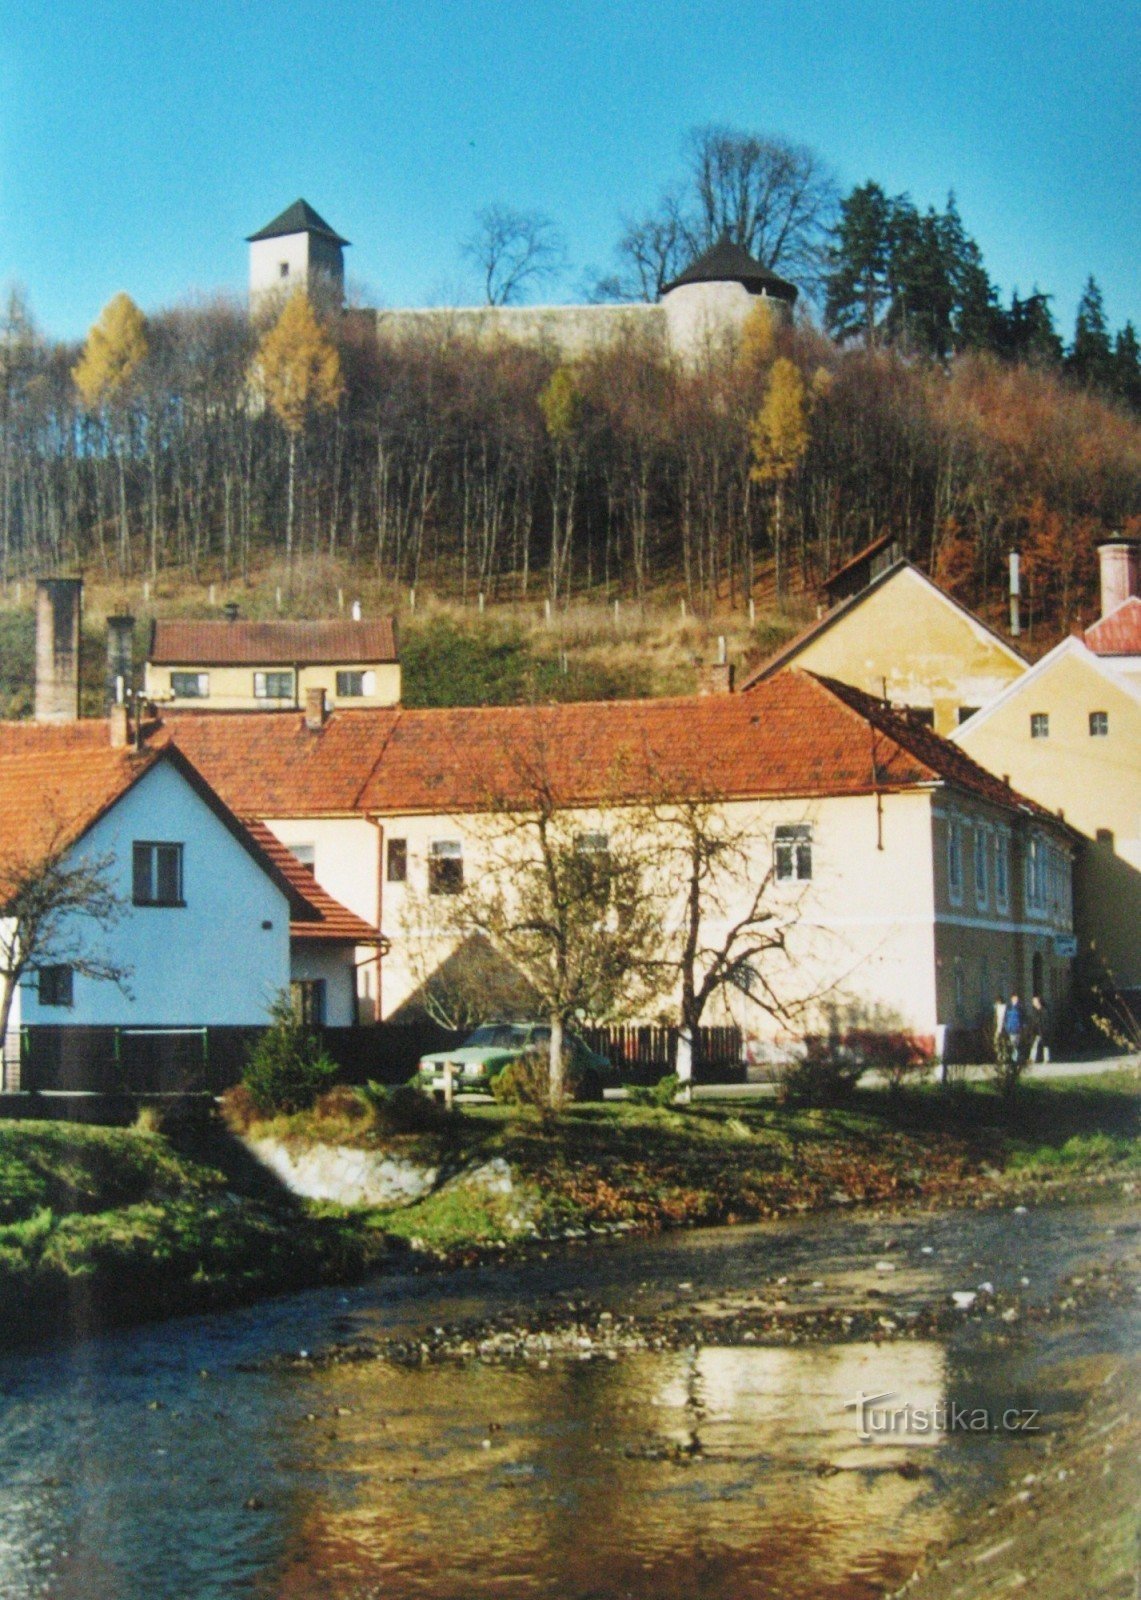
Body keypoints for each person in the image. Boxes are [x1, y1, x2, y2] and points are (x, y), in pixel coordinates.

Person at [1028, 994, 1051, 1064]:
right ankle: (1032, 1059)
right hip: (1036, 1030)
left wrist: (1044, 1028)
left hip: (1043, 1030)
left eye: (1034, 1001)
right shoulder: (1035, 1011)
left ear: (1038, 1002)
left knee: (1045, 1044)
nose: (1033, 1003)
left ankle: (1047, 1059)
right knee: (1034, 1044)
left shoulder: (1044, 1010)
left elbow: (1045, 1020)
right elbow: (1033, 1021)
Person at [1003, 992, 1023, 1065]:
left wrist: (1022, 1026)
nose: (1016, 1000)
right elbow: (1005, 1018)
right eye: (1014, 998)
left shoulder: (1020, 1007)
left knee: (1016, 1044)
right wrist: (1006, 1026)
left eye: (1017, 998)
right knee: (1012, 1043)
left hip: (1017, 1028)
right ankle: (1013, 1058)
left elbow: (1022, 1018)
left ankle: (1015, 1058)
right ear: (1011, 999)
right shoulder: (1008, 1007)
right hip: (1010, 1028)